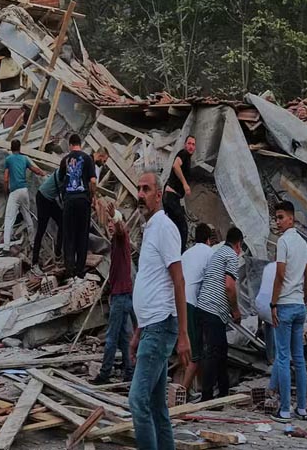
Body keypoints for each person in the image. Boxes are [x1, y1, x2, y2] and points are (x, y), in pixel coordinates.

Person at [129, 171, 191, 450]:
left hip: (160, 326)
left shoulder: (165, 227)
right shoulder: (151, 228)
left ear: (159, 194)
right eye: (139, 189)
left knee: (137, 400)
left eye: (146, 189)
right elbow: (154, 284)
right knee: (156, 406)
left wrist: (183, 334)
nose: (140, 194)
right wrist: (137, 332)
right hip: (151, 325)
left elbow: (178, 279)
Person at [269, 201, 307, 421]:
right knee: (300, 358)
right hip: (299, 305)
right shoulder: (303, 243)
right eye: (276, 218)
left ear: (291, 219)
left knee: (283, 357)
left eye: (280, 217)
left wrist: (273, 303)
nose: (277, 222)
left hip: (285, 304)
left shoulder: (283, 242)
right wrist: (304, 298)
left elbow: (280, 274)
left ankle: (285, 409)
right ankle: (302, 407)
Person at [196, 226, 243, 401]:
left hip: (204, 306)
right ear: (238, 245)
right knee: (214, 353)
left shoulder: (218, 253)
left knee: (221, 350)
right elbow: (229, 286)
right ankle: (206, 397)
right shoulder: (231, 256)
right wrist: (236, 310)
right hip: (213, 308)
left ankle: (223, 392)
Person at [92, 212, 136, 384]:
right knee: (124, 337)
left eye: (113, 221)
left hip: (121, 296)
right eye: (108, 221)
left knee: (111, 338)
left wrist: (115, 218)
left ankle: (104, 374)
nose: (110, 224)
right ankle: (129, 372)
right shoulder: (115, 243)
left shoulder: (121, 238)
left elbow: (121, 230)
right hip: (123, 294)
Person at [179, 223, 214, 391]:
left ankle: (199, 388)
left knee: (187, 347)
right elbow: (212, 282)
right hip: (191, 303)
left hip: (176, 301)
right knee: (196, 354)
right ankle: (181, 394)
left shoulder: (186, 253)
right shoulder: (209, 253)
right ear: (209, 240)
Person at [59, 134, 96, 278]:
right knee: (82, 235)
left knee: (69, 235)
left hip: (69, 201)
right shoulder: (87, 159)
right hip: (83, 200)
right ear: (80, 144)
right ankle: (79, 271)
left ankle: (69, 270)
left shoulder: (65, 160)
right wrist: (91, 197)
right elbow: (92, 181)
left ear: (70, 145)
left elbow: (61, 179)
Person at [3, 139, 44, 250]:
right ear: (20, 148)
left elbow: (6, 179)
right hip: (24, 191)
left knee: (9, 219)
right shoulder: (24, 159)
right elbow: (35, 169)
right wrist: (43, 173)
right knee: (27, 218)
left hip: (15, 192)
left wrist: (6, 191)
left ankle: (6, 248)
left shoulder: (8, 159)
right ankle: (32, 243)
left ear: (11, 148)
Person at [163, 135, 196, 250]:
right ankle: (180, 255)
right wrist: (185, 184)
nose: (191, 146)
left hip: (170, 197)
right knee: (183, 228)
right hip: (171, 197)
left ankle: (170, 250)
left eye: (193, 144)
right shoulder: (183, 154)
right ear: (185, 145)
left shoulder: (187, 158)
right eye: (189, 143)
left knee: (173, 227)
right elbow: (176, 166)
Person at [33, 164, 64, 274]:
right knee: (41, 230)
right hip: (43, 198)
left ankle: (58, 253)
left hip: (50, 199)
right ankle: (34, 263)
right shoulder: (65, 173)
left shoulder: (67, 170)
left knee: (62, 223)